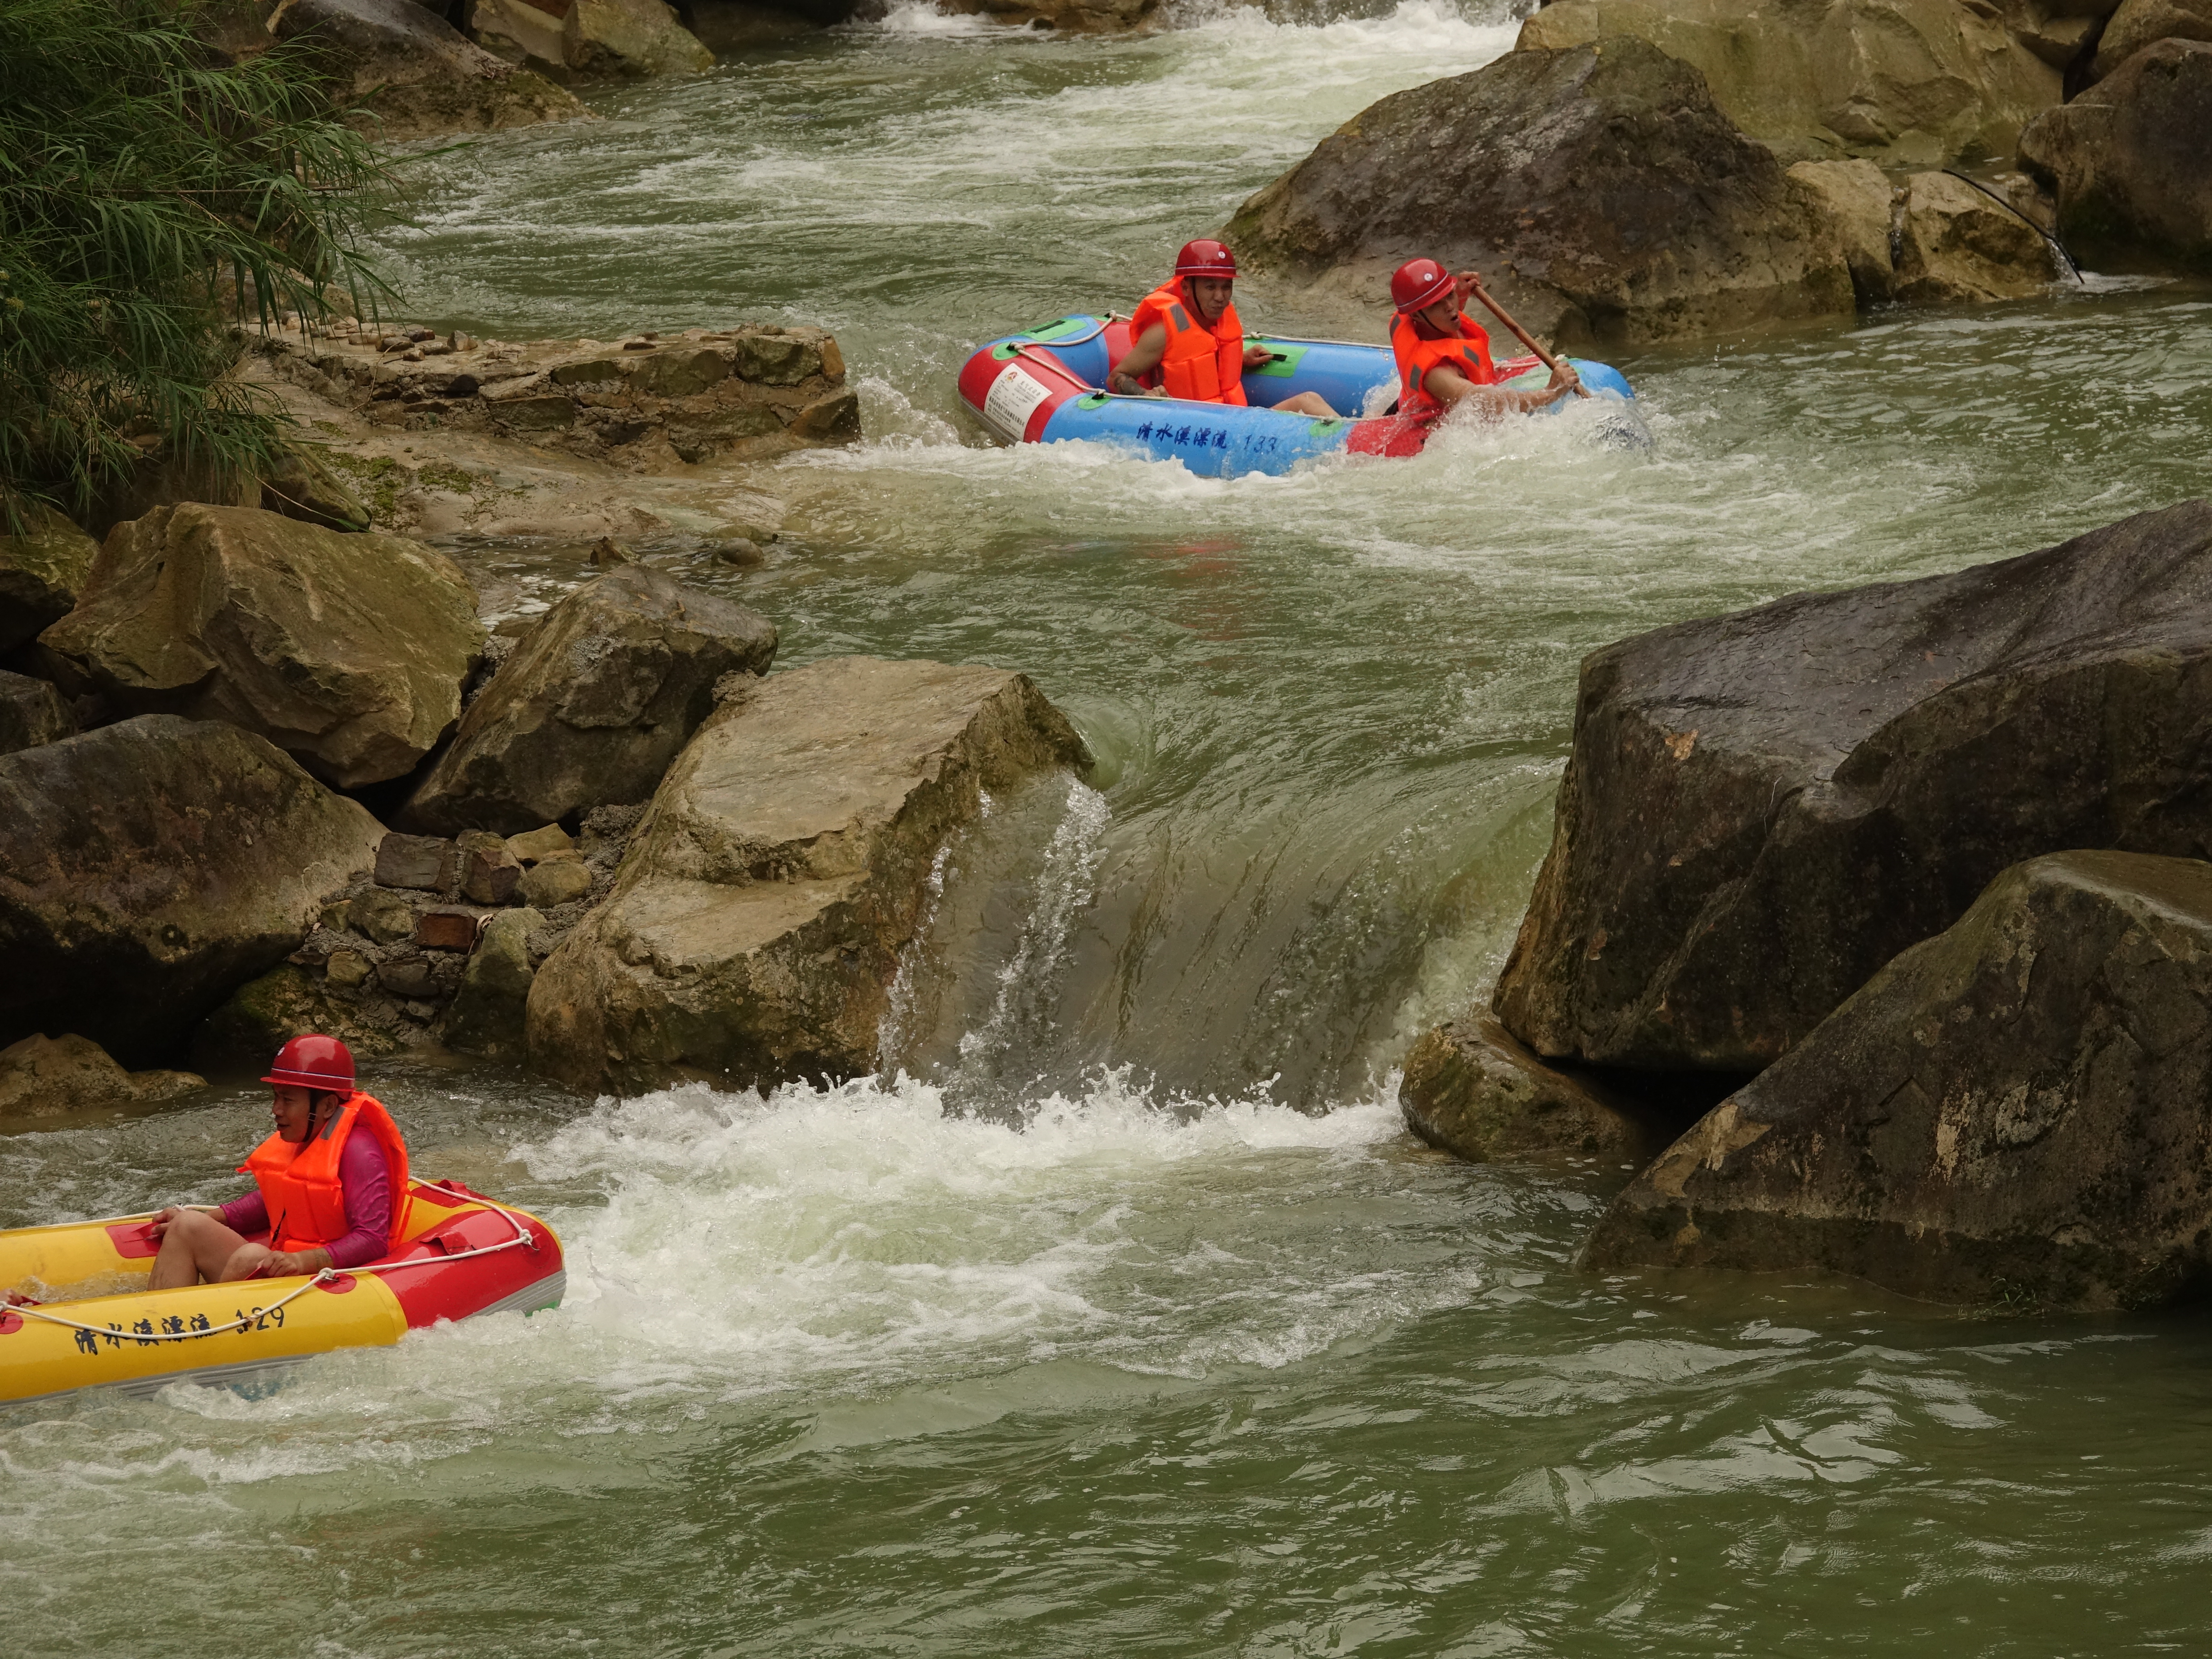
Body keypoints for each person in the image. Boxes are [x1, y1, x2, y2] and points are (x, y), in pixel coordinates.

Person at [147, 1035, 412, 1289]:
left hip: (327, 1283)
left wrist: (300, 1261)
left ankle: (203, 1329)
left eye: (287, 1099)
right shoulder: (308, 1134)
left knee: (251, 1256)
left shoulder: (360, 1151)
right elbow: (276, 1199)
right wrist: (207, 1218)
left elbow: (373, 1240)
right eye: (276, 1097)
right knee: (187, 1225)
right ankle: (156, 1323)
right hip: (285, 1270)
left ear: (328, 1106)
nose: (276, 1109)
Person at [1108, 240, 1338, 417]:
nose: (1220, 297)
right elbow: (1117, 377)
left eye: (1226, 287)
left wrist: (1241, 360)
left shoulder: (1220, 320)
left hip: (1232, 420)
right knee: (1308, 401)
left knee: (1309, 401)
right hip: (1193, 427)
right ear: (1187, 288)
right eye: (1210, 287)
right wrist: (1147, 395)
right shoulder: (1165, 331)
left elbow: (1203, 358)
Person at [1388, 258, 1580, 421]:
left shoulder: (1412, 317)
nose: (1450, 307)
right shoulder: (1437, 374)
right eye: (1436, 305)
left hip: (1406, 403)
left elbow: (1437, 321)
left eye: (1450, 295)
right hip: (1436, 426)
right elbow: (1484, 403)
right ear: (1416, 316)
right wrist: (1550, 393)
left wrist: (1461, 296)